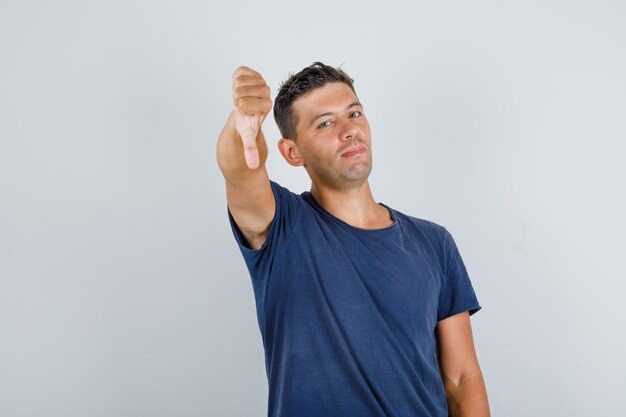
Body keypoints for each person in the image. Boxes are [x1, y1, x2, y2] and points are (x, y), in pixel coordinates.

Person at [216, 62, 491, 417]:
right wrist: (243, 128)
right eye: (325, 123)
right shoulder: (283, 227)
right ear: (291, 152)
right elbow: (240, 170)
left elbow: (461, 378)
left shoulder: (434, 242)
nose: (349, 131)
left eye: (354, 114)